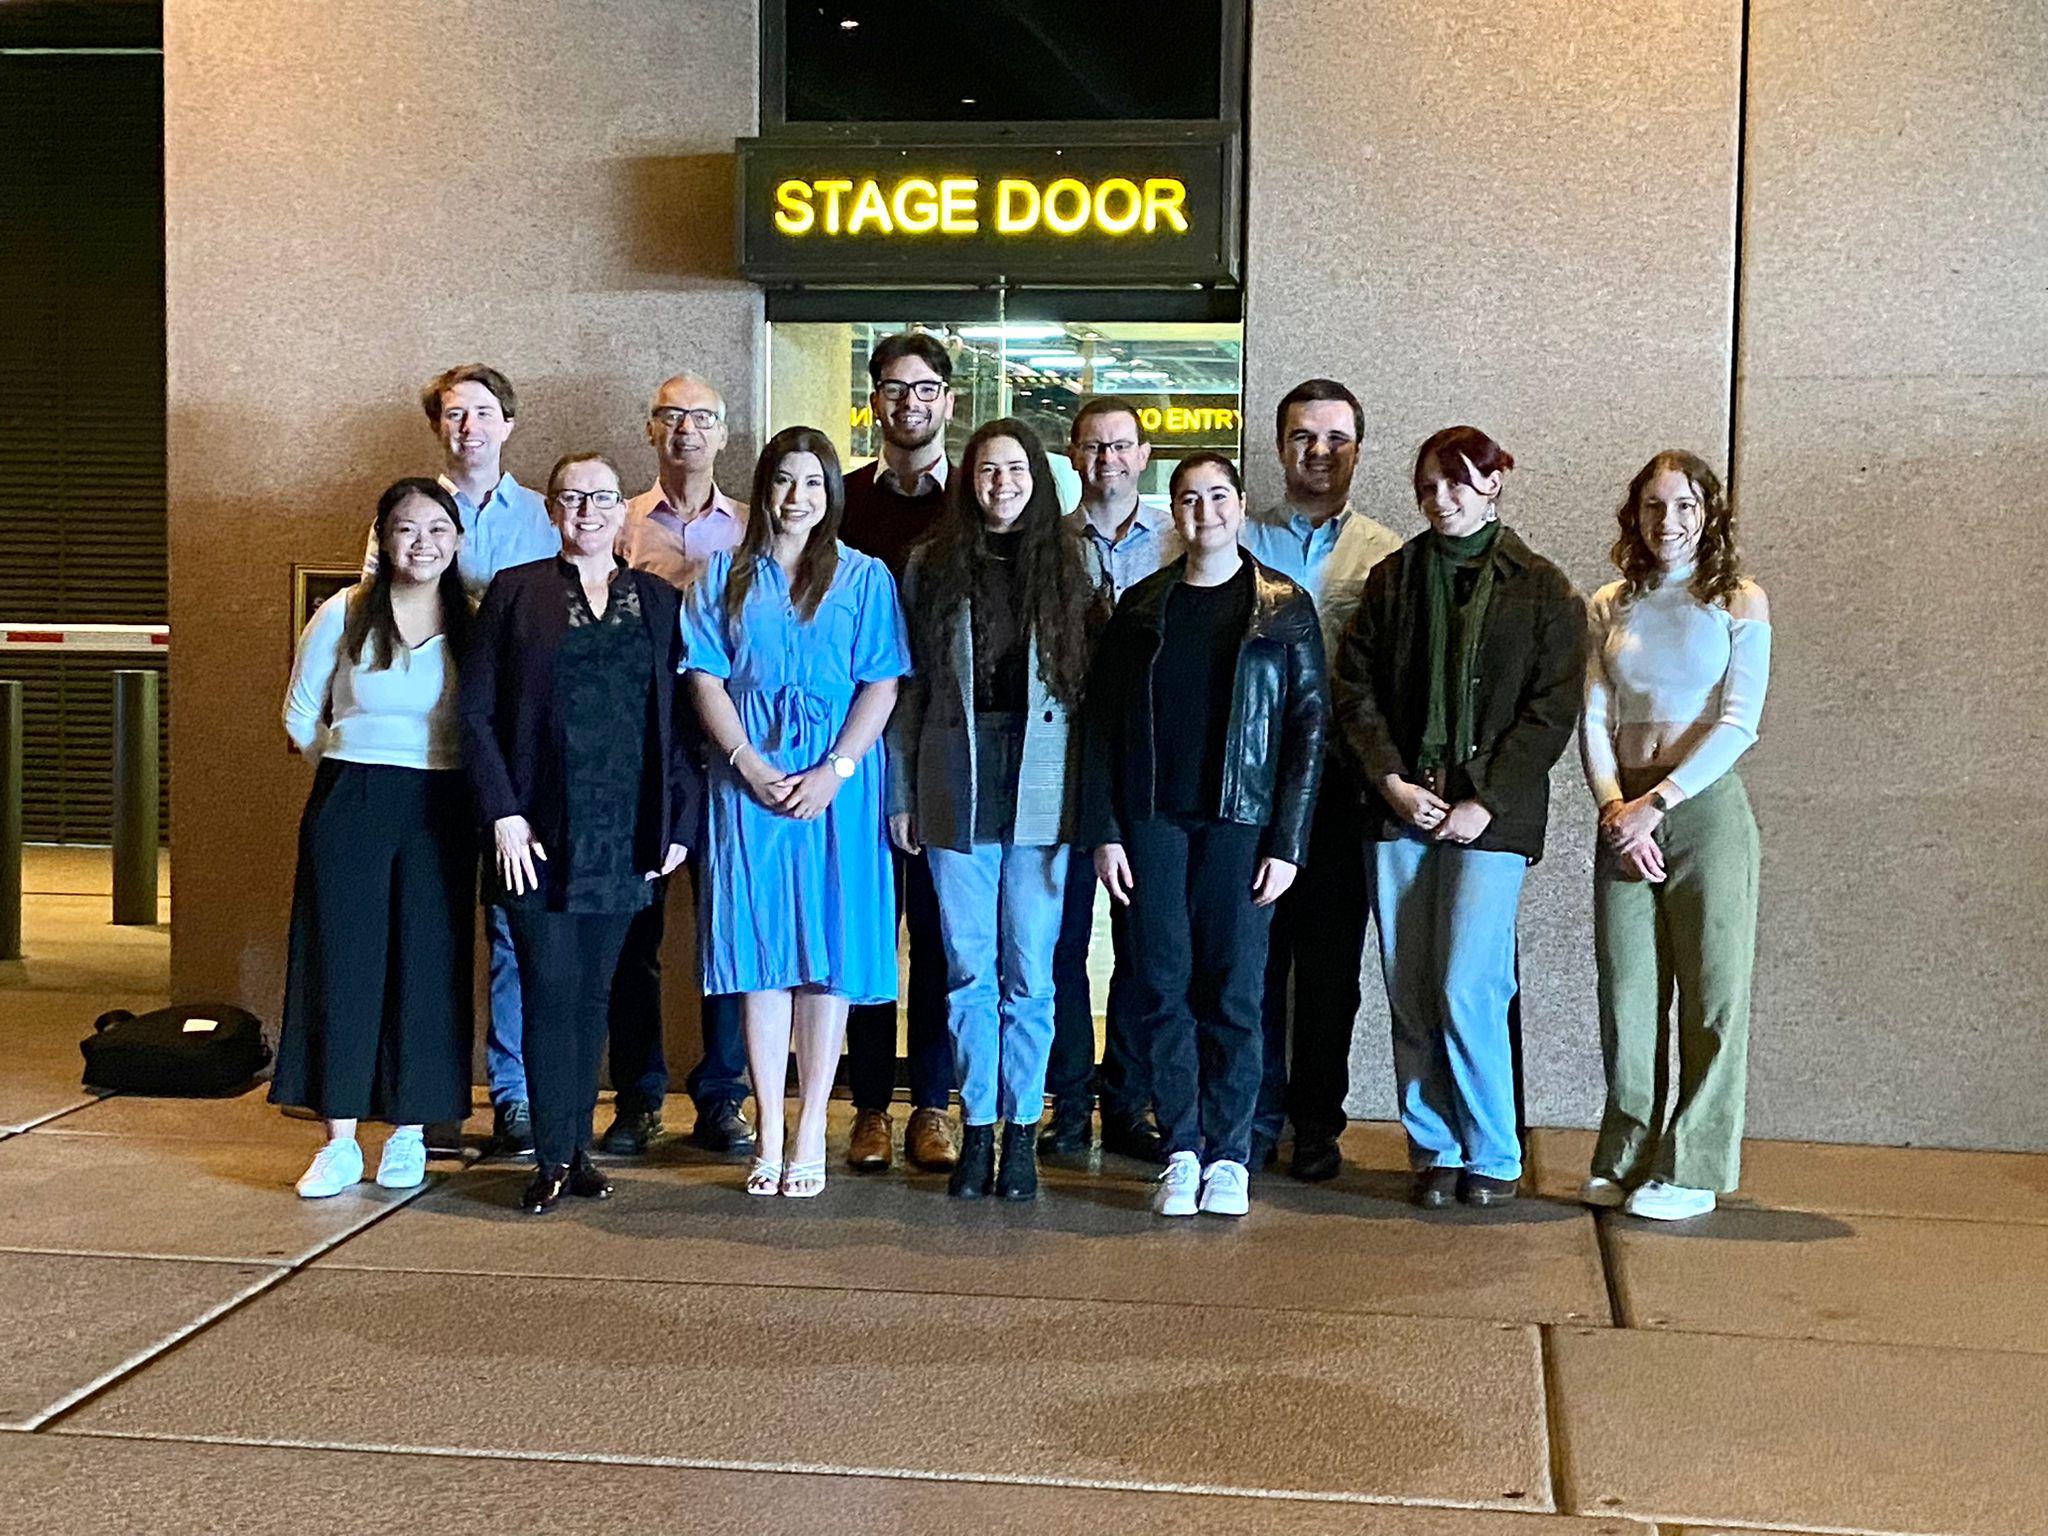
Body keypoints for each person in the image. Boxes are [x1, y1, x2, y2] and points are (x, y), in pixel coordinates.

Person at [1330, 426, 1585, 1209]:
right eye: (1429, 488)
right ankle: (1433, 1148)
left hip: (1491, 816)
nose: (1442, 500)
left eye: (1459, 484)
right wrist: (1393, 782)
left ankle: (1494, 1150)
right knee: (1409, 984)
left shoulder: (1541, 588)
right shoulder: (1394, 577)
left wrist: (1485, 799)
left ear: (1495, 483)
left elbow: (1550, 711)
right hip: (1402, 805)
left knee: (1466, 981)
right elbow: (1355, 688)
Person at [1081, 453, 1328, 1220]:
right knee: (1160, 983)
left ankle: (1230, 1153)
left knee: (1234, 991)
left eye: (1218, 496)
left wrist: (1288, 843)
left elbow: (1309, 729)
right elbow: (1102, 726)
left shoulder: (1283, 608)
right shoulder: (1143, 608)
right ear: (1174, 511)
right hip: (1153, 820)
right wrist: (1107, 831)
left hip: (1241, 825)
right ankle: (1180, 1146)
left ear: (1241, 506)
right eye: (1189, 499)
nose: (1205, 511)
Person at [459, 453, 699, 1215]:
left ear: (621, 510)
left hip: (625, 834)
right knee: (544, 988)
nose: (587, 511)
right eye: (571, 498)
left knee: (596, 995)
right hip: (532, 833)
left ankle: (577, 1150)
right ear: (553, 510)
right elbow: (474, 712)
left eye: (599, 498)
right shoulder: (515, 593)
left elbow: (686, 723)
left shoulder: (660, 602)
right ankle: (550, 1158)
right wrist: (501, 812)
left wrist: (679, 826)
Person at [683, 427, 910, 1199]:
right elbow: (706, 677)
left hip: (837, 787)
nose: (797, 497)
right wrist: (749, 760)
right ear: (764, 488)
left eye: (813, 483)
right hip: (750, 780)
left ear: (831, 495)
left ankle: (814, 1125)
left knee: (827, 957)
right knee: (760, 957)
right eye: (784, 480)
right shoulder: (720, 575)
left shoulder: (865, 578)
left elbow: (881, 684)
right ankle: (769, 1130)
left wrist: (836, 770)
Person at [888, 418, 1106, 1200]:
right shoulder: (928, 565)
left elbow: (1092, 697)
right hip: (956, 776)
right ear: (967, 480)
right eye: (986, 471)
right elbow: (906, 692)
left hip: (1045, 785)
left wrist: (1091, 808)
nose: (1001, 484)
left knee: (1033, 975)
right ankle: (975, 1128)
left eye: (1015, 470)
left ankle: (1022, 1135)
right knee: (967, 968)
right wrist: (901, 794)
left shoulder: (1075, 564)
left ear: (1040, 481)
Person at [363, 364, 560, 1158]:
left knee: (514, 929)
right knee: (430, 928)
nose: (468, 427)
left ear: (509, 424)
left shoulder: (547, 519)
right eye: (453, 415)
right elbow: (370, 621)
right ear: (438, 426)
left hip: (511, 755)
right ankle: (429, 1093)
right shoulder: (408, 515)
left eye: (482, 414)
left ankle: (512, 1095)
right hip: (423, 755)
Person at [1579, 450, 1770, 1221]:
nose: (1670, 522)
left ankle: (1693, 1166)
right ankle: (1624, 1156)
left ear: (1709, 513)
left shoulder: (1739, 601)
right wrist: (1615, 807)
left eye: (1686, 506)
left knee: (1712, 994)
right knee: (1628, 994)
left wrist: (1660, 801)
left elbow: (1740, 722)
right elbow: (1592, 717)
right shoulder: (1610, 604)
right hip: (1622, 815)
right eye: (1655, 507)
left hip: (1705, 810)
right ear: (1637, 515)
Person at [276, 479, 476, 1197]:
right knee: (344, 960)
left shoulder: (475, 619)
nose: (421, 543)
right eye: (404, 529)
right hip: (352, 795)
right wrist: (350, 767)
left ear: (456, 540)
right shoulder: (344, 611)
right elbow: (300, 716)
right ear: (382, 536)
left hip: (442, 803)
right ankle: (338, 1139)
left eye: (436, 529)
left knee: (428, 963)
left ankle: (411, 1133)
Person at [1239, 378, 1403, 1180]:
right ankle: (1255, 1114)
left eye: (1336, 438)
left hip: (1341, 791)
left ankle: (1316, 1126)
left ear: (1358, 451)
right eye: (1303, 436)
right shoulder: (1236, 537)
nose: (1319, 452)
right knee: (1254, 961)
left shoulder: (1386, 551)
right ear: (1280, 447)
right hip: (1251, 788)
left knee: (1331, 969)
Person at [603, 372, 753, 1160]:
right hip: (643, 755)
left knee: (727, 929)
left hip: (729, 752)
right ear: (651, 430)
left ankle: (723, 1097)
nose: (686, 429)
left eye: (702, 417)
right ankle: (636, 1097)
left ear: (725, 434)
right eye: (671, 416)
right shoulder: (618, 523)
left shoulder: (756, 530)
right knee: (637, 934)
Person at [1042, 396, 1181, 1163]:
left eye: (1121, 446)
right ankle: (1068, 1100)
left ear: (1143, 454)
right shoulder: (1049, 545)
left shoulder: (1176, 537)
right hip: (1061, 763)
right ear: (1072, 455)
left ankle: (1129, 1100)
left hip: (1147, 764)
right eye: (1094, 447)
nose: (1108, 461)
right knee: (1061, 943)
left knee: (1142, 944)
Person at [837, 331, 960, 1173]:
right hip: (855, 748)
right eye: (892, 388)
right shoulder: (839, 502)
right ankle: (871, 1106)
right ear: (874, 401)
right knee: (873, 932)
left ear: (948, 399)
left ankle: (935, 1107)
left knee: (946, 935)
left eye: (924, 388)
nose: (908, 402)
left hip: (953, 748)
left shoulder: (983, 500)